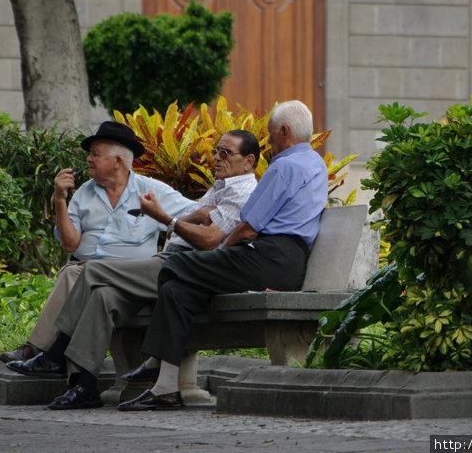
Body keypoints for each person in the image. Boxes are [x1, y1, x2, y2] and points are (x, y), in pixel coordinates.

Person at [5, 130, 261, 410]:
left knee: (91, 272)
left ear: (248, 162)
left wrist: (166, 218)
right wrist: (191, 217)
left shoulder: (239, 191)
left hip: (183, 268)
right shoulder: (220, 187)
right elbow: (194, 219)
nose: (216, 158)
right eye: (216, 151)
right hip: (165, 265)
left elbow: (208, 239)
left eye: (225, 153)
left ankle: (54, 353)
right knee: (102, 296)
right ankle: (84, 385)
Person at [118, 100, 328, 411]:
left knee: (177, 264)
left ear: (284, 132)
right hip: (285, 261)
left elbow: (247, 228)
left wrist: (221, 254)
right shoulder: (315, 163)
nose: (270, 142)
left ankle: (154, 359)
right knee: (178, 290)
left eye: (271, 134)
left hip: (267, 257)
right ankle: (164, 388)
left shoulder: (284, 166)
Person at [0, 121, 195, 363]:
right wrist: (60, 199)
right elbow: (70, 245)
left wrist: (171, 224)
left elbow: (199, 213)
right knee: (79, 271)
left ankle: (36, 349)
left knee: (74, 273)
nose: (88, 159)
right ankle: (62, 366)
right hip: (90, 272)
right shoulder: (83, 192)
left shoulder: (151, 191)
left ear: (118, 161)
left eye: (95, 154)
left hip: (128, 275)